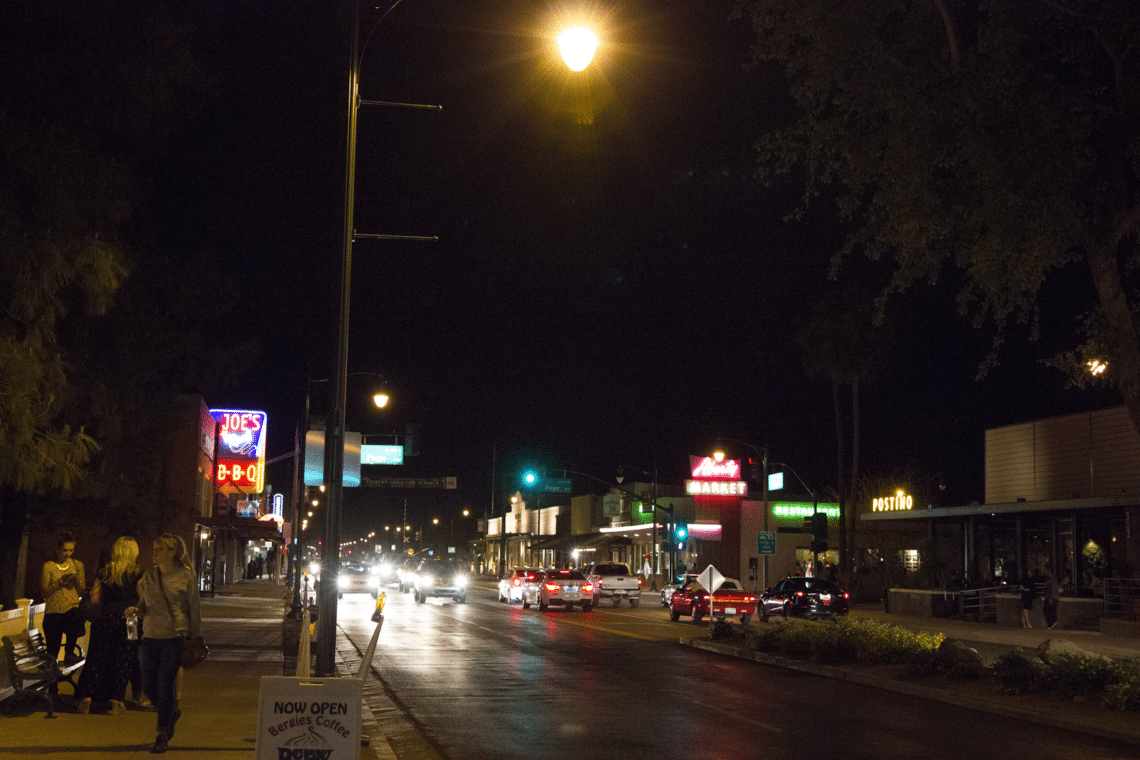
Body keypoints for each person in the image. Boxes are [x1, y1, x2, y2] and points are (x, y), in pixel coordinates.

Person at [126, 534, 201, 754]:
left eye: (159, 549)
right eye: (154, 548)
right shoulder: (149, 577)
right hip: (150, 636)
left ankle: (162, 733)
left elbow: (193, 609)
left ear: (172, 551)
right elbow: (143, 604)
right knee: (148, 685)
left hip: (173, 638)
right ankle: (170, 714)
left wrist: (194, 637)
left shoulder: (186, 576)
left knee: (165, 684)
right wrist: (135, 610)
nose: (155, 552)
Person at [75, 537, 144, 715]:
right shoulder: (138, 573)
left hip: (105, 618)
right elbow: (143, 597)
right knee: (125, 659)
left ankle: (87, 697)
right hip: (130, 620)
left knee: (97, 658)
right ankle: (116, 700)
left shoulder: (104, 573)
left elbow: (95, 599)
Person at [41, 531, 86, 662]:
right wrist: (59, 583)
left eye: (71, 550)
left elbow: (82, 591)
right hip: (53, 614)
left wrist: (76, 581)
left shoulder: (77, 565)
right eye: (65, 550)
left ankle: (69, 653)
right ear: (58, 549)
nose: (68, 554)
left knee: (75, 617)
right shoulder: (49, 566)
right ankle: (52, 680)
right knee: (52, 654)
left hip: (70, 612)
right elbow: (44, 593)